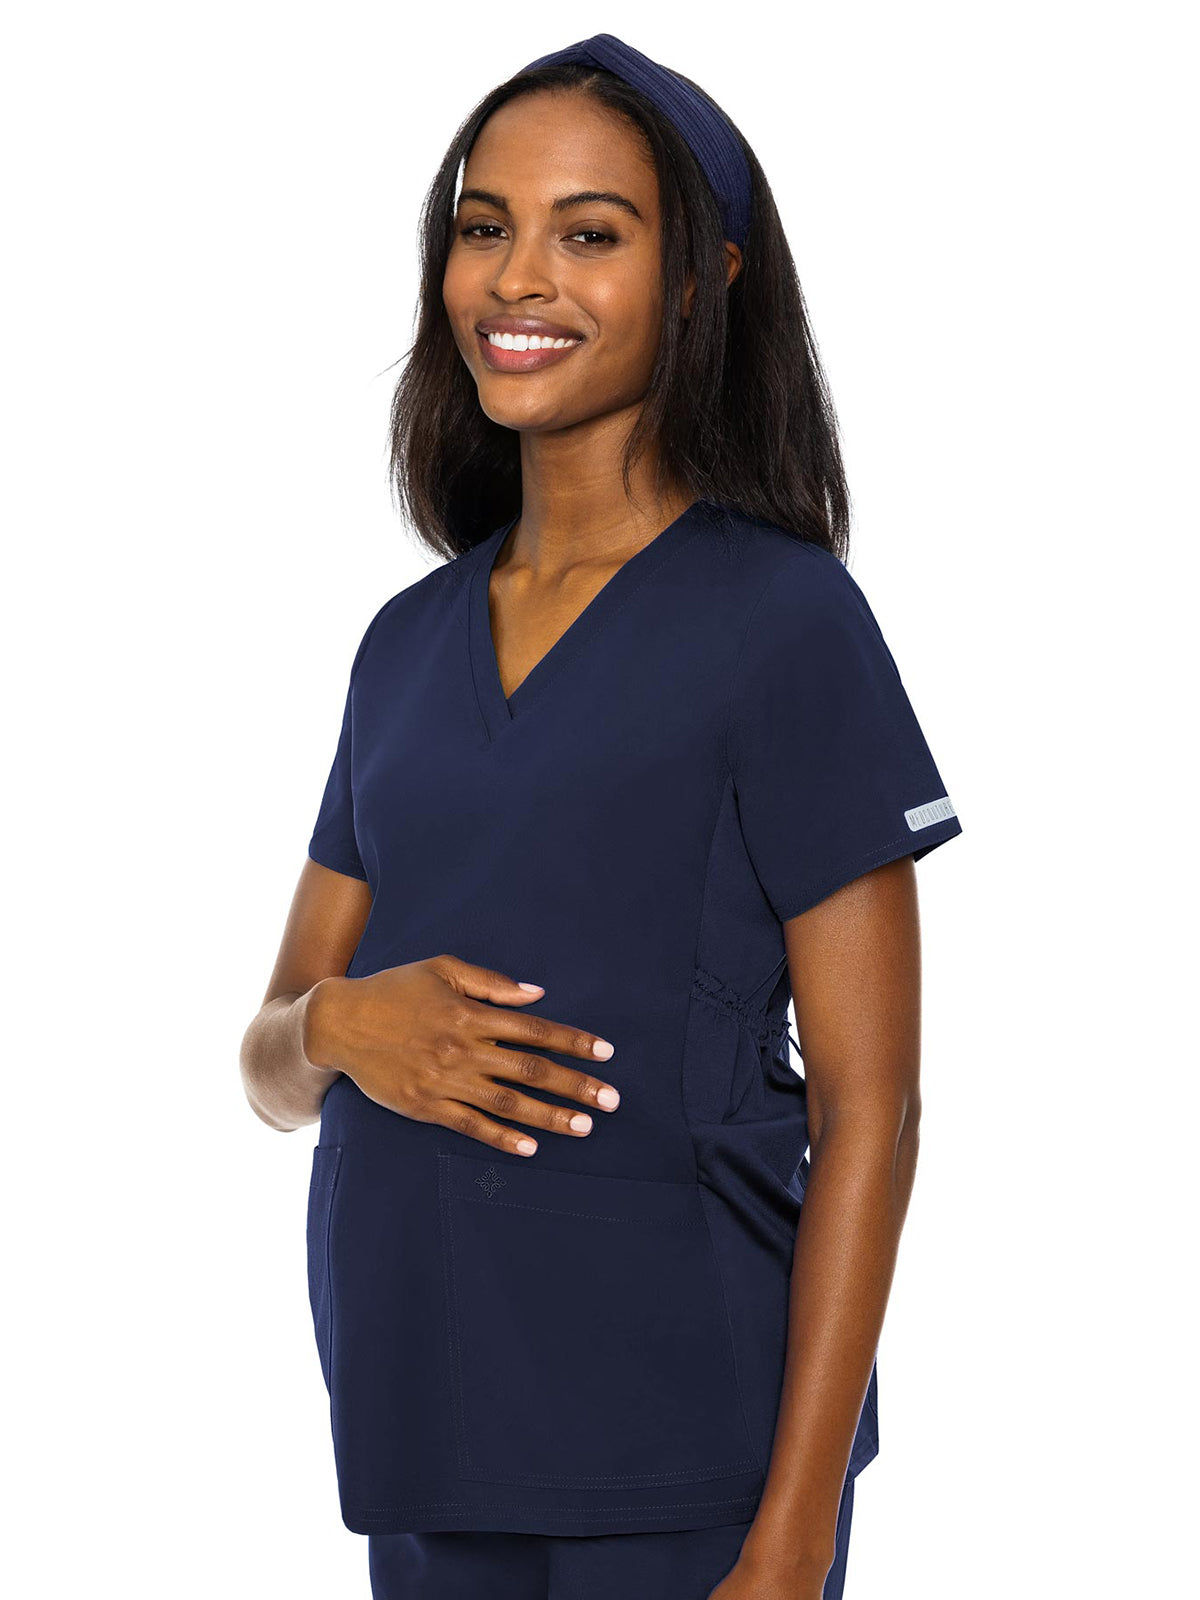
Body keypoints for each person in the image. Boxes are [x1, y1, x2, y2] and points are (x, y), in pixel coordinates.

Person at [239, 33, 964, 1600]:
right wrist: (345, 1026)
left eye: (590, 233)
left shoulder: (786, 624)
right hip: (423, 1423)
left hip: (686, 1449)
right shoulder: (404, 646)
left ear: (702, 279)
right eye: (484, 225)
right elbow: (271, 1056)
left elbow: (874, 1110)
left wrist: (792, 1539)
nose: (519, 278)